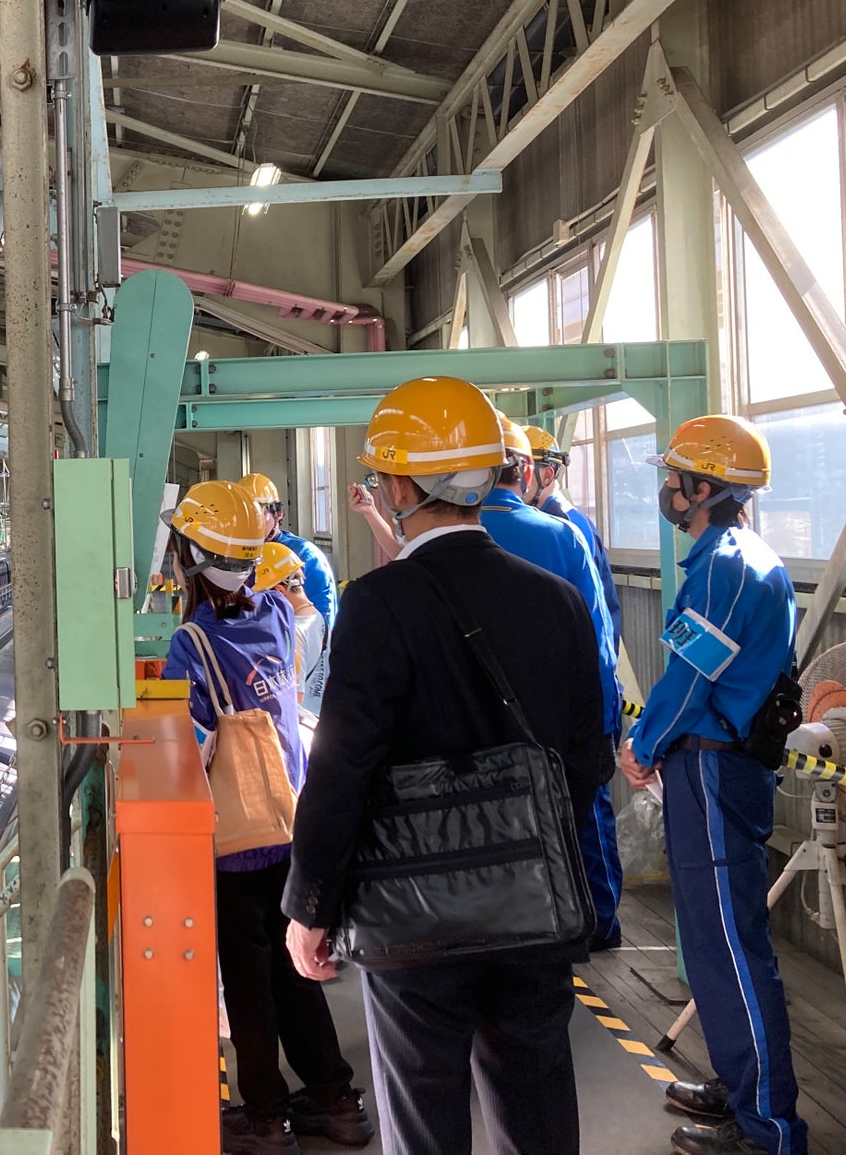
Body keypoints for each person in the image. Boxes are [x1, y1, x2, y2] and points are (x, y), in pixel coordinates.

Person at [282, 375, 611, 1155]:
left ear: (399, 487)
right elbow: (588, 755)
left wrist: (311, 903)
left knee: (424, 1112)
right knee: (538, 1110)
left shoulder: (379, 602)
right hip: (534, 907)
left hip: (412, 917)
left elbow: (343, 767)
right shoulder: (557, 599)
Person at [163, 481, 371, 1155]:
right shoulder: (279, 615)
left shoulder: (192, 643)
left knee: (250, 983)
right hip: (291, 823)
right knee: (294, 970)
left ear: (192, 558)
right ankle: (335, 1099)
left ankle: (266, 1115)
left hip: (238, 844)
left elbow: (193, 750)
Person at [618, 416, 805, 1155]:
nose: (666, 489)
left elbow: (693, 675)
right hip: (712, 767)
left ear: (704, 489)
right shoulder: (734, 558)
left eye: (675, 477)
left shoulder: (727, 565)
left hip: (715, 767)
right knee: (711, 940)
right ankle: (740, 1083)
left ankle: (770, 1128)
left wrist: (643, 744)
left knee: (731, 943)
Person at [485, 413, 624, 950]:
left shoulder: (438, 542)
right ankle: (596, 924)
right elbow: (598, 634)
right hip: (563, 720)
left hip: (483, 729)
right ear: (526, 471)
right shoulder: (562, 536)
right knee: (582, 820)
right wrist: (605, 720)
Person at [522, 424, 623, 646]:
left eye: (521, 472)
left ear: (547, 475)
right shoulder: (546, 521)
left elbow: (589, 606)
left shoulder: (565, 526)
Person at [239, 473, 337, 632]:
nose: (249, 523)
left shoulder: (305, 555)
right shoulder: (239, 554)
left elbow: (320, 623)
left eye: (257, 513)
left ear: (278, 513)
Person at [256, 542, 325, 716]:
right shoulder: (316, 617)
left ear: (279, 592)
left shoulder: (291, 632)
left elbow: (295, 697)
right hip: (318, 718)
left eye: (259, 597)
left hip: (299, 723)